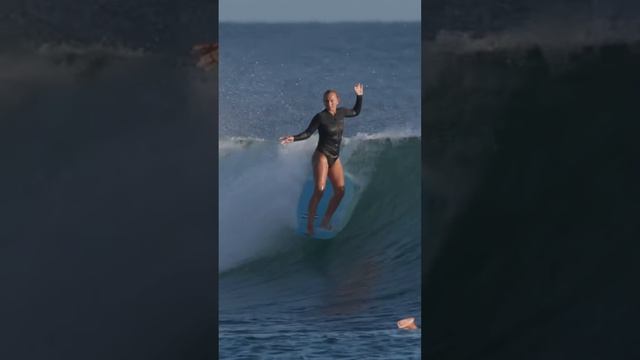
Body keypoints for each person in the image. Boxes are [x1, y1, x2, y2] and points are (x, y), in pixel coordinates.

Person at [280, 83, 364, 236]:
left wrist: (359, 96)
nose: (329, 103)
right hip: (322, 155)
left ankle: (326, 220)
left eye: (331, 100)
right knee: (320, 189)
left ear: (337, 100)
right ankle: (310, 225)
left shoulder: (342, 112)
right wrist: (293, 138)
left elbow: (356, 112)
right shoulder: (320, 117)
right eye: (326, 101)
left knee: (340, 190)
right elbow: (307, 133)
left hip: (334, 156)